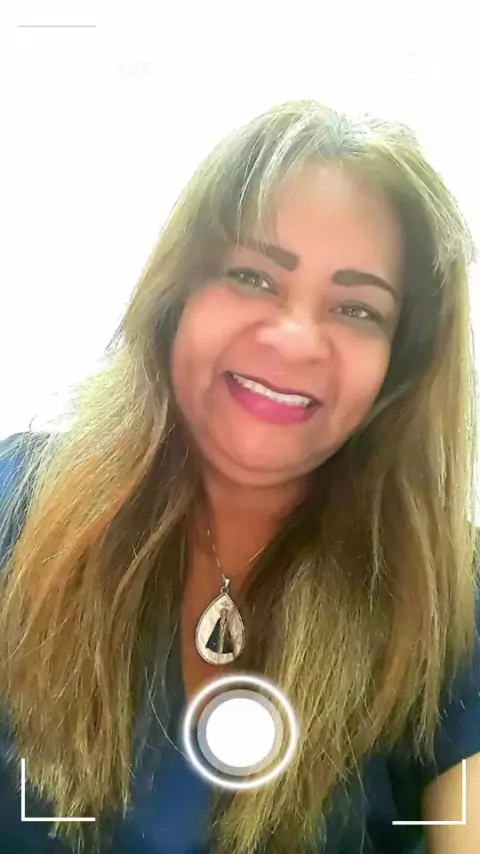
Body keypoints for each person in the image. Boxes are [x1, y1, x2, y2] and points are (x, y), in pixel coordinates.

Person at [0, 99, 479, 854]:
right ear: (175, 298)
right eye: (253, 276)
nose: (294, 339)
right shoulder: (17, 502)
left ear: (400, 367)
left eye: (357, 309)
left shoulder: (450, 587)